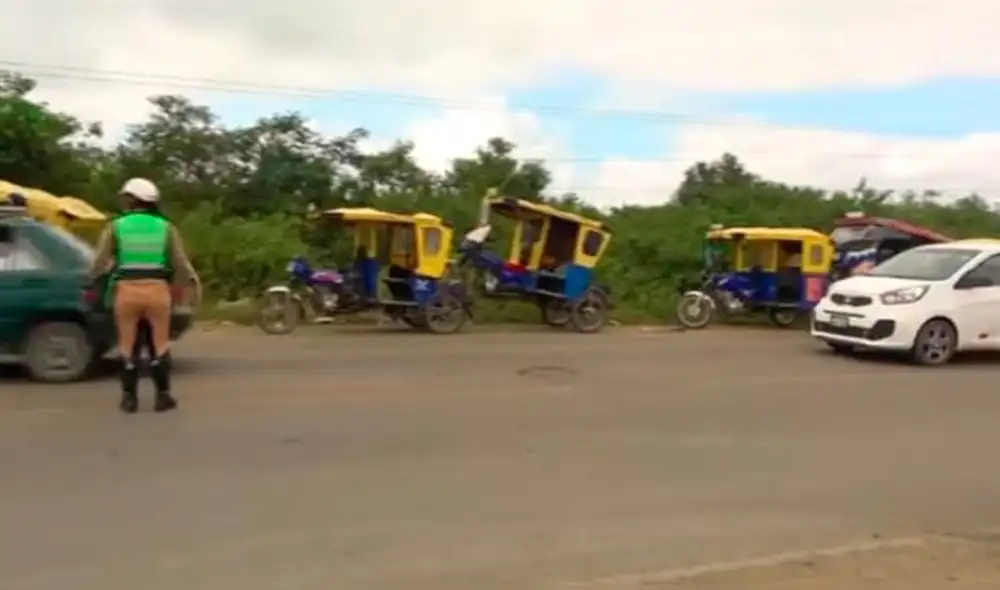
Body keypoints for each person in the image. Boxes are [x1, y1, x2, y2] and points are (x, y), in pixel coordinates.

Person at [90, 178, 200, 414]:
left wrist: (93, 278)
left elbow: (100, 261)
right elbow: (180, 262)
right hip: (157, 291)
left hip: (126, 292)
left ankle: (129, 399)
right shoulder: (166, 227)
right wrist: (192, 283)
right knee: (159, 344)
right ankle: (163, 396)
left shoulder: (116, 226)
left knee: (127, 345)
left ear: (132, 200)